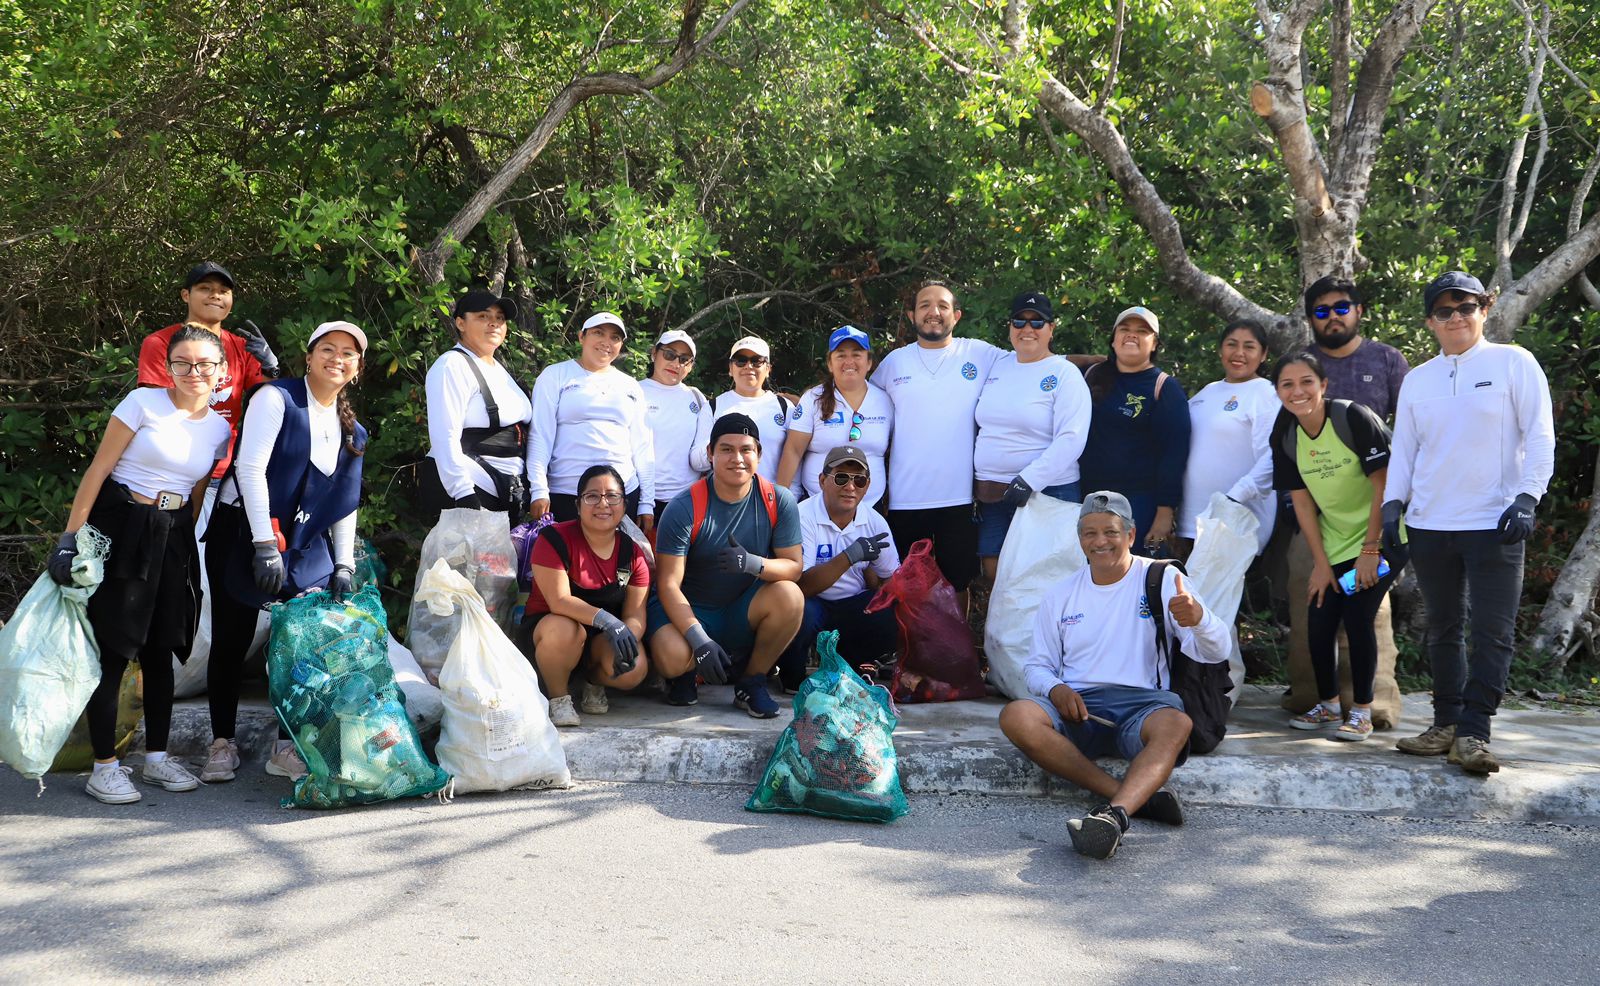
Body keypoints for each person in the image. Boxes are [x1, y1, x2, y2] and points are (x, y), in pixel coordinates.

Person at [46, 325, 233, 804]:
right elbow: (99, 470)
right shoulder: (141, 404)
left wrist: (185, 552)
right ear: (167, 367)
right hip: (122, 527)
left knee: (161, 648)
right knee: (114, 649)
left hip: (172, 537)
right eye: (182, 363)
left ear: (221, 371)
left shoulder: (218, 429)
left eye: (204, 364)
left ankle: (155, 759)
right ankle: (104, 766)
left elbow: (194, 496)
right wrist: (70, 538)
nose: (194, 372)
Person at [1384, 271, 1555, 774]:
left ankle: (1475, 732)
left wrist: (1527, 497)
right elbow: (1405, 452)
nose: (1456, 317)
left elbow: (1541, 436)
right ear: (1430, 321)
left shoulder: (1514, 363)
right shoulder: (1418, 379)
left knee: (1493, 632)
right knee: (1442, 629)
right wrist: (1394, 503)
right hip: (1431, 523)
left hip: (1496, 521)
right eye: (1444, 310)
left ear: (1486, 308)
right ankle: (1445, 724)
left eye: (1466, 306)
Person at [997, 491, 1230, 859]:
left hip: (1145, 707)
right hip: (1080, 709)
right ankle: (1128, 796)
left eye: (1110, 532)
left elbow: (1217, 652)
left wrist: (1199, 620)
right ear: (1079, 539)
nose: (1100, 541)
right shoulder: (1060, 595)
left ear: (1131, 535)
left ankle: (1114, 816)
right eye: (1089, 533)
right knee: (1017, 715)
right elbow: (1037, 666)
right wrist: (1056, 689)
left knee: (1176, 723)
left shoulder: (1162, 578)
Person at [198, 321, 370, 782]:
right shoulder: (277, 399)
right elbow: (250, 468)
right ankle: (221, 743)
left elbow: (343, 502)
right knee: (232, 640)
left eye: (348, 353)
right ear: (309, 357)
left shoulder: (355, 431)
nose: (338, 358)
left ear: (357, 368)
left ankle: (286, 746)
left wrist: (345, 563)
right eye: (328, 349)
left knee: (300, 648)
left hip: (305, 544)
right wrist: (261, 545)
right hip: (244, 532)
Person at [1280, 277, 1411, 727]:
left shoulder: (1386, 360)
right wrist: (1319, 557)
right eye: (1320, 310)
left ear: (1357, 310)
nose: (1331, 315)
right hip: (1323, 527)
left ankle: (1369, 708)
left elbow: (1409, 436)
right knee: (1315, 612)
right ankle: (1316, 699)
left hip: (1374, 529)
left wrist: (1373, 548)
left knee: (1364, 619)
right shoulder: (1301, 371)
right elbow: (1296, 484)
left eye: (1341, 307)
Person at [646, 413, 804, 717]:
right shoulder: (684, 506)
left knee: (791, 596)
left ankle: (751, 681)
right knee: (673, 657)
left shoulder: (778, 500)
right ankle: (683, 675)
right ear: (710, 454)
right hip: (690, 611)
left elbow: (793, 568)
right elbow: (667, 584)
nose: (737, 458)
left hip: (739, 609)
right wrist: (698, 639)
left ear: (758, 453)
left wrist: (753, 563)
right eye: (726, 449)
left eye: (746, 449)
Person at [871, 280, 1004, 608]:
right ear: (911, 315)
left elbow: (1032, 363)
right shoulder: (894, 363)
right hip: (905, 500)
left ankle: (956, 655)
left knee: (957, 581)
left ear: (956, 315)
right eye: (925, 305)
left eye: (943, 306)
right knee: (906, 584)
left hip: (958, 499)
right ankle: (909, 656)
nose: (934, 312)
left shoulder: (980, 354)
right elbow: (857, 403)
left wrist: (1095, 367)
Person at [973, 291, 1091, 580]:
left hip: (1047, 491)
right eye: (1019, 321)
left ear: (1051, 329)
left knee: (1045, 576)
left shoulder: (1065, 374)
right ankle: (1001, 628)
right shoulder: (997, 364)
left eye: (1037, 322)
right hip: (991, 492)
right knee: (995, 569)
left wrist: (1029, 480)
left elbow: (1071, 438)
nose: (1027, 329)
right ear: (1010, 327)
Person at [523, 466, 652, 728]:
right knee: (566, 630)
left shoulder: (633, 554)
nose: (603, 504)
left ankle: (593, 684)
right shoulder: (553, 539)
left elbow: (636, 614)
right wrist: (606, 620)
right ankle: (558, 698)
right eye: (592, 496)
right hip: (551, 633)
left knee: (635, 667)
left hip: (601, 640)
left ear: (624, 505)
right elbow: (559, 601)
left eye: (612, 496)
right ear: (578, 504)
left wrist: (628, 637)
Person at [136, 261, 278, 482]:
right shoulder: (160, 343)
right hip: (173, 465)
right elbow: (156, 410)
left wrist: (271, 366)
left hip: (226, 470)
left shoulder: (242, 347)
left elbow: (268, 402)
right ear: (186, 295)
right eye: (205, 288)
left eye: (224, 291)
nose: (216, 296)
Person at [778, 445, 902, 692]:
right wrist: (850, 556)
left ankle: (850, 665)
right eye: (841, 477)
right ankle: (791, 673)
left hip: (850, 606)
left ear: (867, 486)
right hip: (811, 604)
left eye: (859, 480)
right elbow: (802, 586)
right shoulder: (803, 515)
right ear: (823, 480)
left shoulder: (875, 521)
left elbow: (892, 580)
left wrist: (882, 594)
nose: (850, 487)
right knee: (798, 606)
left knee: (891, 609)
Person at [1077, 306, 1191, 555]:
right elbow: (1044, 360)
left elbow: (1175, 454)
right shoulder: (1091, 375)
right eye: (1125, 329)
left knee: (1130, 572)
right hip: (1085, 495)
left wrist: (1165, 513)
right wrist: (1084, 359)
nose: (1132, 335)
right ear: (1114, 339)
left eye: (1142, 331)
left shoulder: (1165, 388)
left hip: (1138, 501)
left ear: (1154, 344)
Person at [527, 312, 655, 529]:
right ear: (581, 337)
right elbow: (540, 435)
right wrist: (538, 489)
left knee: (618, 563)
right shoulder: (555, 375)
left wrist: (646, 502)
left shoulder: (630, 385)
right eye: (598, 333)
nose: (607, 342)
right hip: (567, 492)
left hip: (620, 495)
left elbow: (643, 446)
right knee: (564, 562)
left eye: (615, 337)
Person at [422, 289, 533, 516]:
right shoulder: (452, 365)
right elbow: (445, 435)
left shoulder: (499, 370)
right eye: (483, 316)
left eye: (499, 318)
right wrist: (463, 493)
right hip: (470, 486)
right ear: (461, 323)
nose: (493, 323)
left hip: (505, 490)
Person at [1177, 320, 1277, 556]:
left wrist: (1234, 498)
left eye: (1249, 347)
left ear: (1263, 355)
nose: (1239, 353)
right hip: (1190, 521)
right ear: (1221, 350)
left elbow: (1273, 456)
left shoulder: (1266, 393)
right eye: (1231, 344)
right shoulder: (1208, 391)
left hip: (1236, 522)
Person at [777, 325, 894, 512]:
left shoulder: (885, 401)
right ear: (830, 363)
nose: (849, 361)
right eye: (841, 355)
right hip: (816, 506)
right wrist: (779, 502)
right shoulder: (813, 399)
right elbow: (793, 450)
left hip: (870, 508)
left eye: (856, 354)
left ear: (869, 362)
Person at [640, 329, 712, 521]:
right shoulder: (634, 391)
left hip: (686, 501)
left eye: (684, 359)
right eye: (670, 354)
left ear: (691, 366)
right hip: (641, 498)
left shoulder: (697, 398)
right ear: (654, 353)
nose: (675, 364)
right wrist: (642, 502)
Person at [713, 335, 791, 484]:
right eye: (741, 360)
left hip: (772, 498)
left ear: (768, 369)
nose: (748, 366)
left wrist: (787, 497)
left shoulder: (785, 408)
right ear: (730, 368)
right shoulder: (713, 407)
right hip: (726, 501)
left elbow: (796, 457)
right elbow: (697, 459)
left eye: (756, 361)